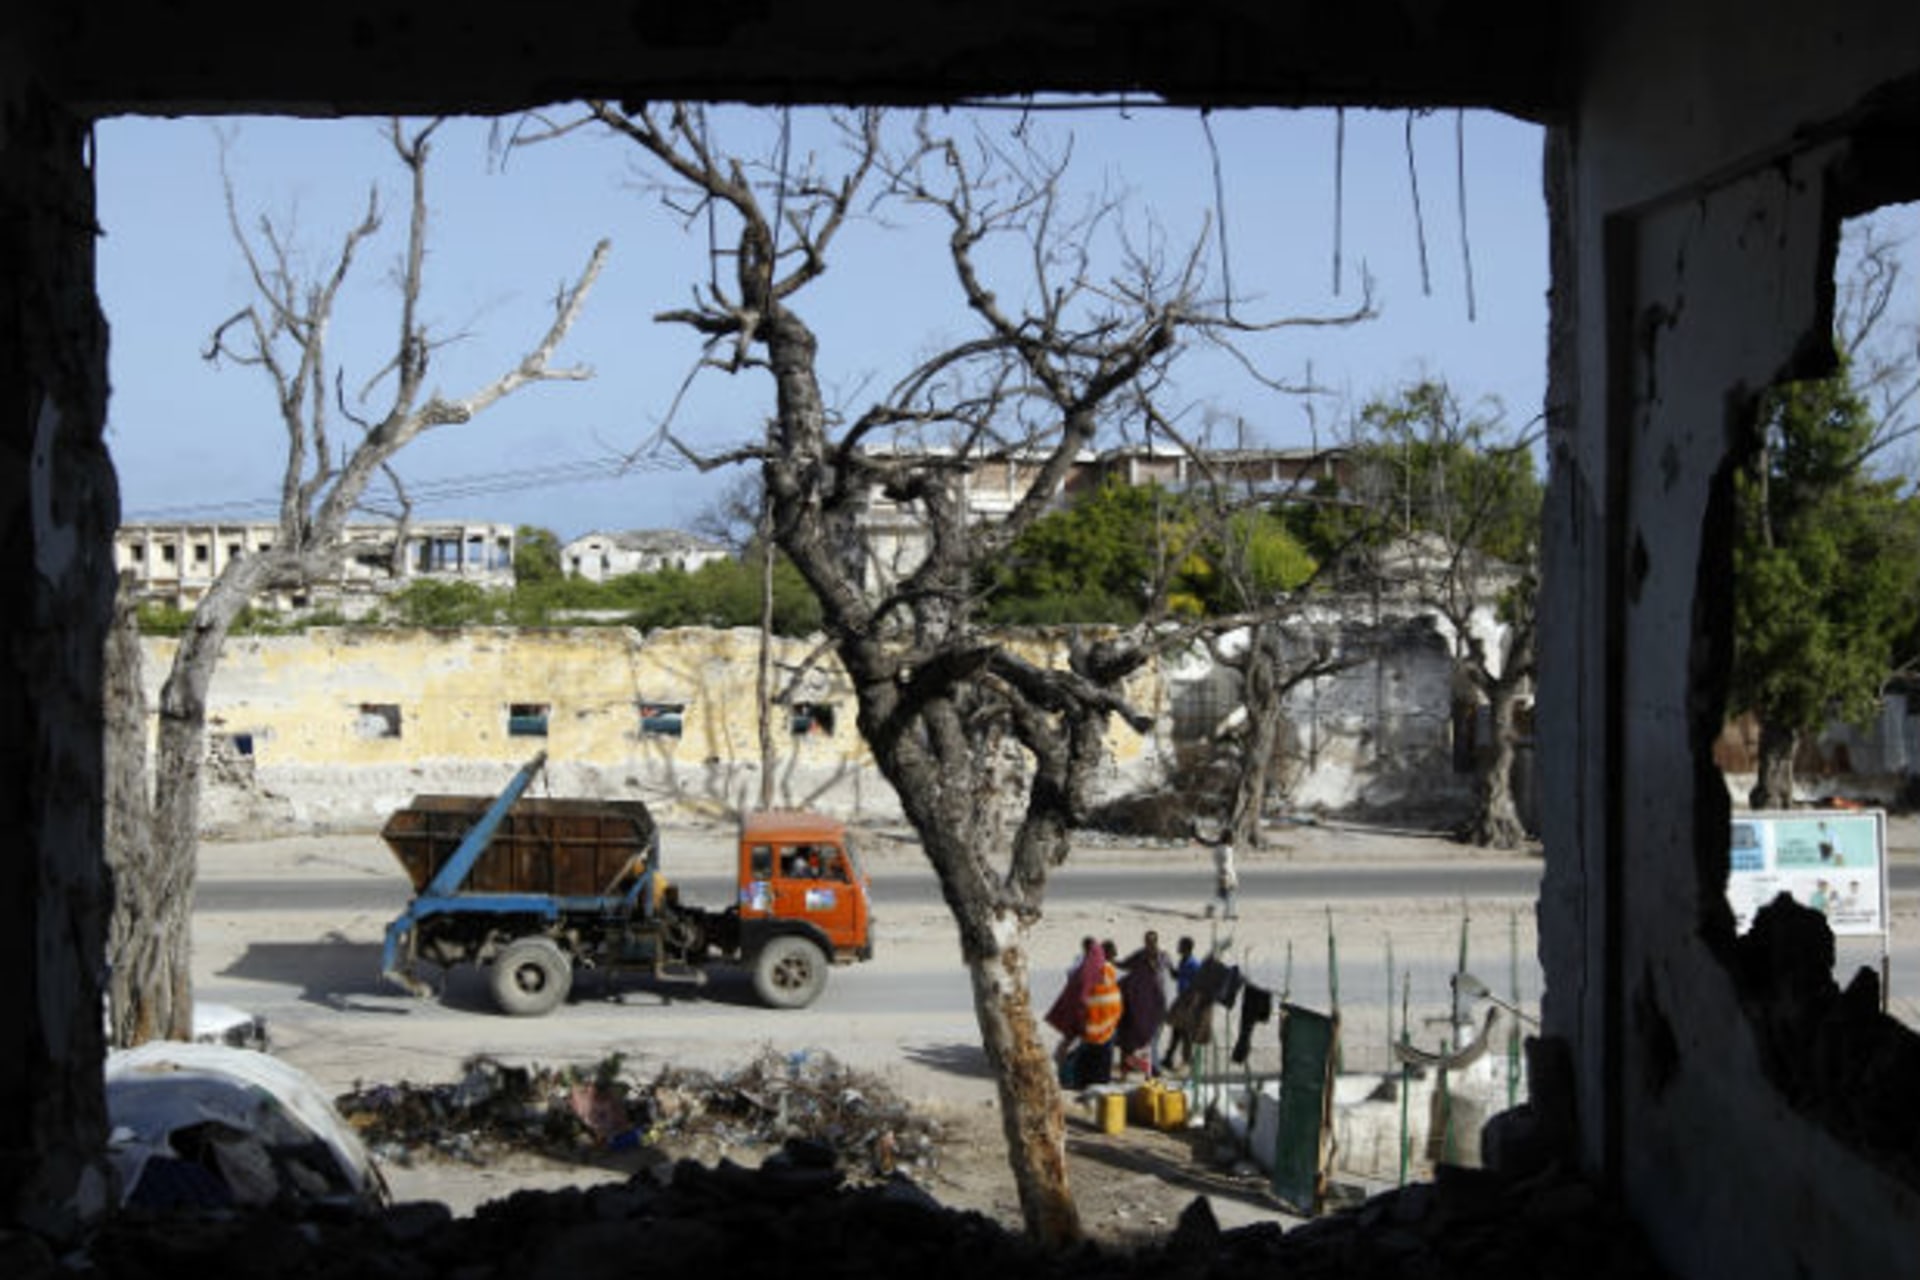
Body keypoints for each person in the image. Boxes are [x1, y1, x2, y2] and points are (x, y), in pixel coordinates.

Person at [1115, 930, 1170, 1077]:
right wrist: (1111, 960)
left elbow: (1125, 965)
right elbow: (1124, 965)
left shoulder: (1160, 957)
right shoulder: (1143, 957)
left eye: (1150, 941)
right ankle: (1146, 1069)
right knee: (1143, 1039)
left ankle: (1149, 1069)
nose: (1149, 944)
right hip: (1140, 1006)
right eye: (1147, 941)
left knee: (1149, 1039)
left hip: (1152, 1006)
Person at [1161, 936, 1201, 1071]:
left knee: (1183, 1032)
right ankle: (1169, 1058)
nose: (1178, 947)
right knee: (1177, 1030)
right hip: (1182, 999)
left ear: (1187, 948)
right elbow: (1176, 976)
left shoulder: (1193, 964)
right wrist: (1168, 964)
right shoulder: (1184, 961)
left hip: (1188, 1001)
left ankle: (1187, 1061)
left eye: (1181, 945)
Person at [1208, 836, 1239, 920]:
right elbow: (1227, 864)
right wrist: (1232, 877)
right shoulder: (1228, 849)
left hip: (1219, 873)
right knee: (1230, 894)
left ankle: (1211, 907)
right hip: (1227, 874)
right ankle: (1228, 914)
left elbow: (1215, 861)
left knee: (1221, 893)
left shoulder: (1216, 849)